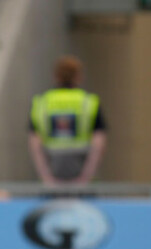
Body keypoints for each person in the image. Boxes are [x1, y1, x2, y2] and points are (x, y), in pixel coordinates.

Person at [28, 55, 107, 185]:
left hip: (52, 169)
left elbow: (35, 144)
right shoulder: (89, 102)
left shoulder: (42, 103)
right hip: (81, 169)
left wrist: (46, 178)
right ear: (79, 77)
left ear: (56, 76)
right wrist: (85, 178)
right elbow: (98, 144)